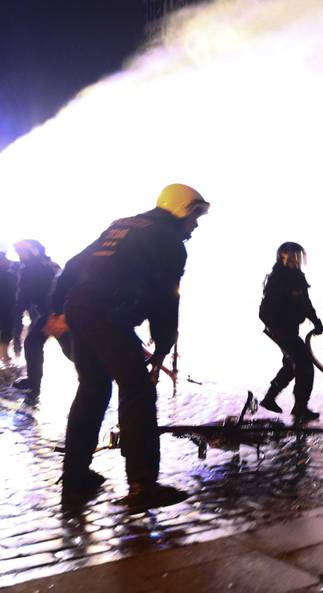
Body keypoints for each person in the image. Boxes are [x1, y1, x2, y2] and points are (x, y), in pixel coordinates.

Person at [58, 183, 209, 508]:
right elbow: (166, 297)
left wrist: (56, 309)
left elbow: (72, 266)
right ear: (182, 210)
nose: (195, 224)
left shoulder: (123, 225)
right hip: (107, 313)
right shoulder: (169, 241)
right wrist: (164, 343)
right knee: (137, 389)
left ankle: (75, 476)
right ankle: (143, 485)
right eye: (194, 215)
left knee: (94, 388)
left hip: (80, 309)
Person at [258, 241, 323, 421]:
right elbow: (264, 310)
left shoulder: (298, 277)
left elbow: (306, 304)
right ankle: (300, 408)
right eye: (293, 256)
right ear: (283, 256)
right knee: (305, 365)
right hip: (280, 329)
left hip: (290, 329)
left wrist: (316, 321)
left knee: (291, 364)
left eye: (298, 256)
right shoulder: (277, 278)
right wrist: (278, 328)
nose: (296, 260)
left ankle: (270, 398)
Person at [11, 239, 62, 395]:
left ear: (33, 251)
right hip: (51, 312)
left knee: (34, 343)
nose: (19, 256)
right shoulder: (42, 266)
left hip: (56, 312)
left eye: (21, 252)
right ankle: (33, 382)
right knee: (33, 343)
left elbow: (28, 293)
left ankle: (96, 374)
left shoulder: (40, 268)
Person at [0, 244, 17, 364]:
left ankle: (3, 353)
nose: (7, 261)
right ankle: (3, 354)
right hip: (6, 308)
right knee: (7, 330)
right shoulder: (10, 276)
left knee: (6, 330)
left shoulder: (10, 275)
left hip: (6, 307)